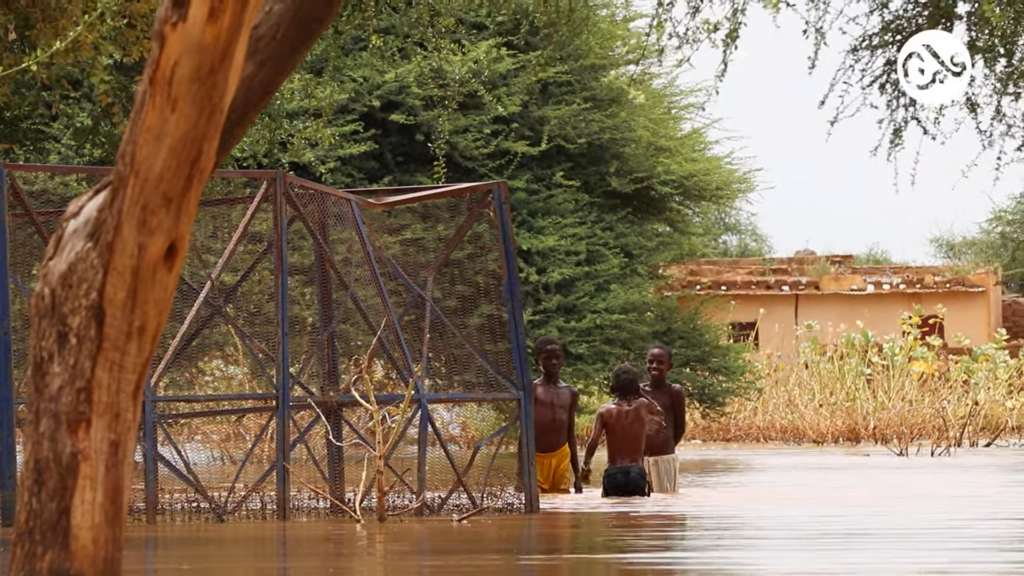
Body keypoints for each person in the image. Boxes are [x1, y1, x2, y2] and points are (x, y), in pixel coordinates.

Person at [581, 364, 665, 497]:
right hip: (637, 472)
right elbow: (660, 413)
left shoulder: (605, 411)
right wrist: (641, 393)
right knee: (636, 514)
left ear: (614, 386)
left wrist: (585, 466)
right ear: (636, 387)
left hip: (613, 472)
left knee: (614, 515)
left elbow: (593, 441)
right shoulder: (643, 405)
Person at [528, 336, 583, 494]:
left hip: (561, 457)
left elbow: (570, 434)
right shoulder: (533, 390)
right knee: (538, 507)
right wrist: (521, 474)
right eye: (547, 359)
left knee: (561, 509)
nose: (554, 362)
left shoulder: (571, 393)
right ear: (538, 361)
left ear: (563, 361)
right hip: (536, 459)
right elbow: (524, 433)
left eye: (557, 358)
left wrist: (577, 476)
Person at [641, 345, 686, 494]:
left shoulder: (674, 391)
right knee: (641, 508)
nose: (654, 366)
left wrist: (667, 446)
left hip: (665, 458)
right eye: (650, 362)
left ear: (669, 366)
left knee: (667, 506)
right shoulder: (638, 391)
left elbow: (680, 427)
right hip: (640, 460)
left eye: (660, 363)